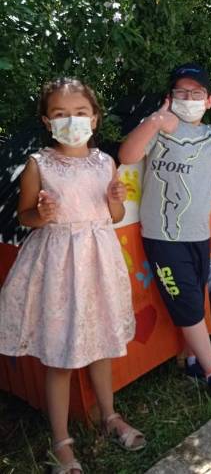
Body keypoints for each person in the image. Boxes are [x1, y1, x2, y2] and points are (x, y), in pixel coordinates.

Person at [0, 78, 144, 474]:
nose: (71, 121)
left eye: (79, 113)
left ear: (94, 119)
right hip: (59, 270)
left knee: (100, 344)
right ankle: (61, 441)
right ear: (48, 122)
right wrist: (40, 216)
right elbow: (26, 217)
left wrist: (115, 203)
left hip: (97, 264)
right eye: (61, 115)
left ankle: (109, 415)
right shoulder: (38, 164)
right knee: (59, 356)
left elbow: (112, 217)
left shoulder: (105, 162)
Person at [118, 63, 211, 403]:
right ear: (170, 97)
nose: (189, 98)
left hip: (199, 234)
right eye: (182, 92)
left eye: (197, 93)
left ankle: (193, 361)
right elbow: (126, 155)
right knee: (189, 306)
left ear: (209, 101)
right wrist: (153, 122)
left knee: (195, 297)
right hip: (163, 237)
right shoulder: (158, 129)